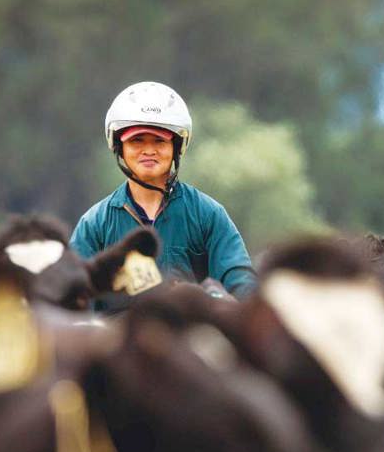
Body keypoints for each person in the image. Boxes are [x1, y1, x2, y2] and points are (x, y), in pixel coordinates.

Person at [70, 81, 257, 302]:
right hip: (117, 335)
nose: (149, 150)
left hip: (192, 331)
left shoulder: (209, 214)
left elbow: (241, 284)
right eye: (137, 140)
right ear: (120, 147)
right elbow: (73, 296)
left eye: (159, 140)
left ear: (176, 148)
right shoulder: (94, 224)